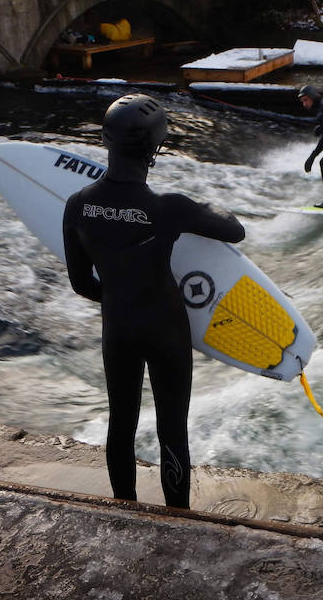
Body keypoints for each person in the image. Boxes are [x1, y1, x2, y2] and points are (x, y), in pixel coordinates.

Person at [62, 93, 245, 509]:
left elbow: (80, 283)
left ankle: (125, 508)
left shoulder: (78, 205)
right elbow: (234, 230)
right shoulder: (169, 207)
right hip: (166, 329)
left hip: (119, 328)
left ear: (106, 140)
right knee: (172, 430)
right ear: (155, 148)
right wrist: (203, 205)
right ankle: (176, 517)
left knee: (121, 425)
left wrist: (119, 300)